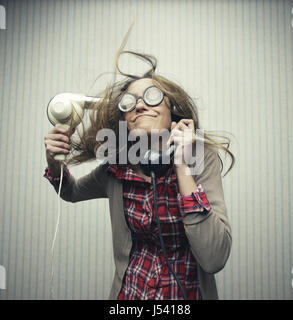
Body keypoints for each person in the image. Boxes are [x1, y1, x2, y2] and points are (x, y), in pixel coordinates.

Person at [43, 50, 235, 300]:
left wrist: (182, 167)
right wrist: (53, 160)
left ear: (171, 108)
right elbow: (70, 191)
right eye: (129, 103)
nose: (140, 105)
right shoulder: (117, 167)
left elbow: (214, 258)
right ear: (125, 119)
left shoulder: (202, 157)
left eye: (152, 96)